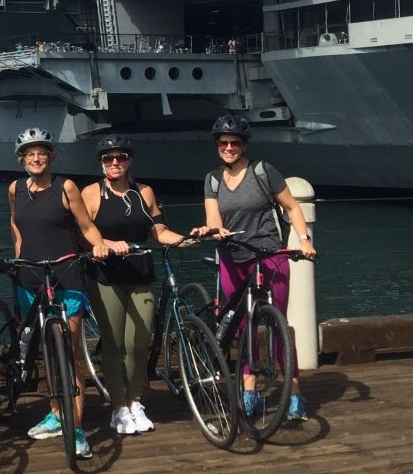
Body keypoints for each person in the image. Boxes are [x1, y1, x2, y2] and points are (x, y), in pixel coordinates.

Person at [194, 115, 318, 422]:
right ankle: (249, 390)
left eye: (235, 143)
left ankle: (294, 394)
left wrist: (303, 240)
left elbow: (291, 207)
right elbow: (213, 218)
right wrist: (214, 230)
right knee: (242, 325)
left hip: (269, 253)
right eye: (223, 143)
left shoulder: (263, 171)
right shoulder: (212, 180)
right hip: (232, 258)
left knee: (278, 326)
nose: (229, 148)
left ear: (244, 145)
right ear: (217, 147)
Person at [6, 127, 108, 460]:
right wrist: (18, 258)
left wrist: (101, 245)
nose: (36, 158)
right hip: (30, 276)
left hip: (66, 274)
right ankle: (54, 413)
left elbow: (85, 225)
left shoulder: (65, 187)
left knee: (71, 350)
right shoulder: (15, 188)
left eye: (42, 153)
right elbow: (16, 226)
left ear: (51, 157)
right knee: (47, 349)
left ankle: (76, 428)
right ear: (22, 159)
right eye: (30, 153)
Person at [81, 135, 190, 436]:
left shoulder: (145, 192)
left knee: (139, 342)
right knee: (114, 343)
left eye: (121, 157)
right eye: (108, 158)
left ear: (130, 160)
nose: (115, 163)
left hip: (140, 272)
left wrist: (183, 239)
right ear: (101, 162)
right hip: (105, 275)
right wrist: (104, 244)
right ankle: (118, 407)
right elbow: (82, 233)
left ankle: (135, 401)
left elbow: (159, 230)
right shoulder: (91, 194)